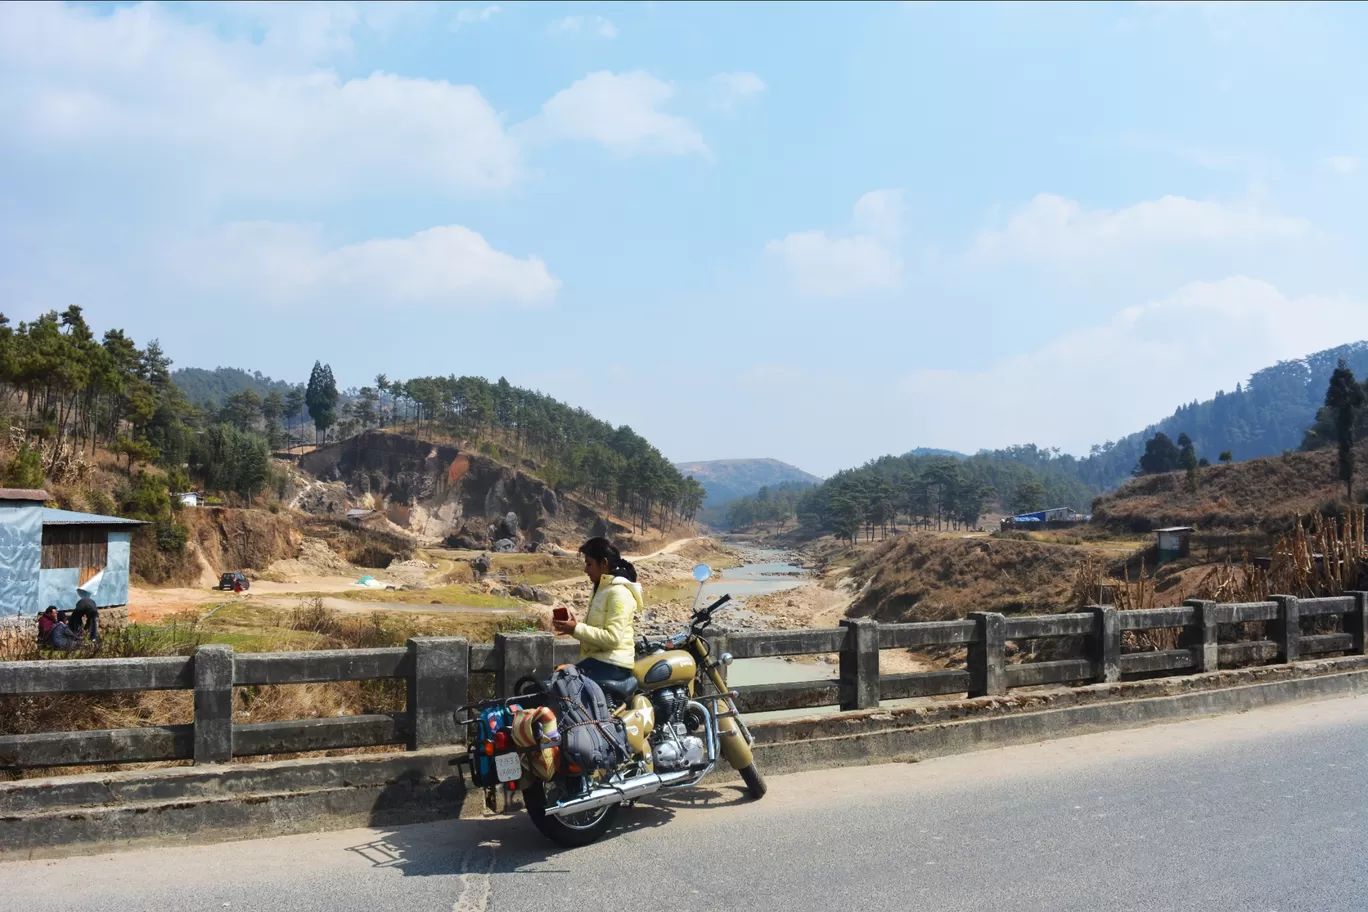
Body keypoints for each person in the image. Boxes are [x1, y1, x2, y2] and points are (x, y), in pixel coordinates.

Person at [551, 537, 643, 696]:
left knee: (565, 687)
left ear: (604, 563)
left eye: (589, 564)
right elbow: (596, 629)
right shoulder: (601, 588)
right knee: (557, 680)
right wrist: (573, 628)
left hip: (614, 665)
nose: (585, 570)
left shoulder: (619, 592)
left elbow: (612, 638)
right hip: (598, 660)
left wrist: (577, 628)